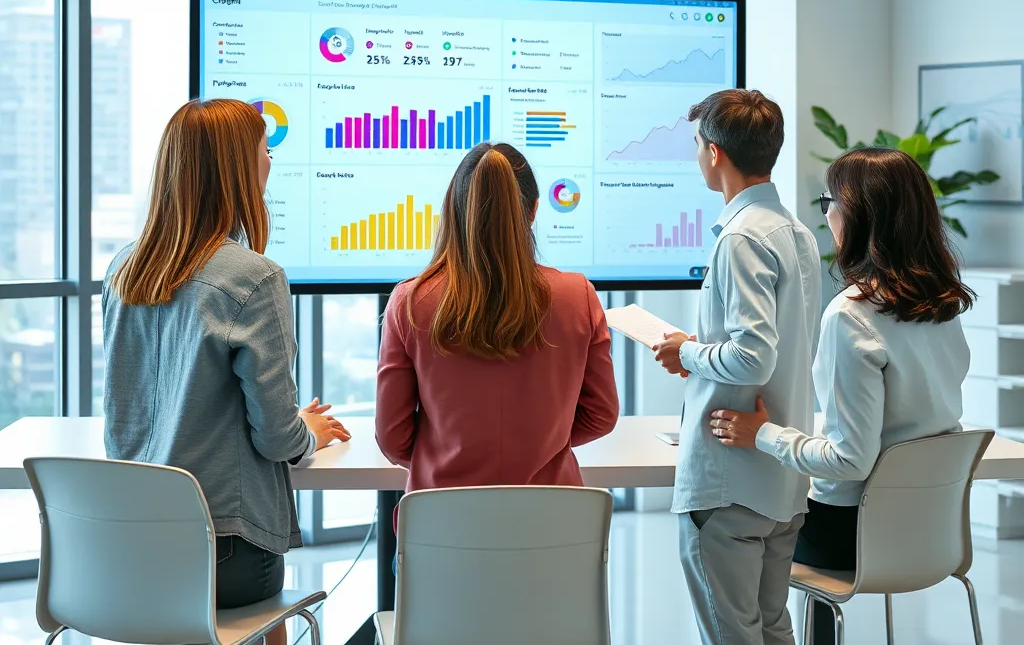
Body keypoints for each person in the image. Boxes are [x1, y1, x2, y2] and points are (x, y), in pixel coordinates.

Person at [103, 99, 350, 633]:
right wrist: (307, 431)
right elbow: (278, 441)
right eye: (265, 149)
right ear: (239, 168)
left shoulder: (124, 268)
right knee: (269, 609)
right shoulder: (254, 277)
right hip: (223, 556)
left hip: (129, 552)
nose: (271, 161)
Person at [710, 146, 973, 644]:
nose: (825, 215)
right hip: (931, 533)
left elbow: (849, 461)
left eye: (828, 202)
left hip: (851, 537)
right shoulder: (943, 305)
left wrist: (762, 433)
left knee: (728, 528)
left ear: (857, 215)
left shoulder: (852, 316)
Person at [653, 89, 822, 645]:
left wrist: (687, 353)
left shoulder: (742, 237)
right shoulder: (797, 233)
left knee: (734, 636)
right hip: (780, 482)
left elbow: (752, 355)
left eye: (696, 144)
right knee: (772, 629)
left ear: (715, 152)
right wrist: (702, 349)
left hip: (729, 486)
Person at [376, 141, 619, 501]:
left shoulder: (410, 302)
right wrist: (539, 445)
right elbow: (601, 415)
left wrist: (447, 455)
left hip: (443, 522)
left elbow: (392, 438)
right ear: (534, 210)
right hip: (553, 522)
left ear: (455, 210)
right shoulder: (578, 295)